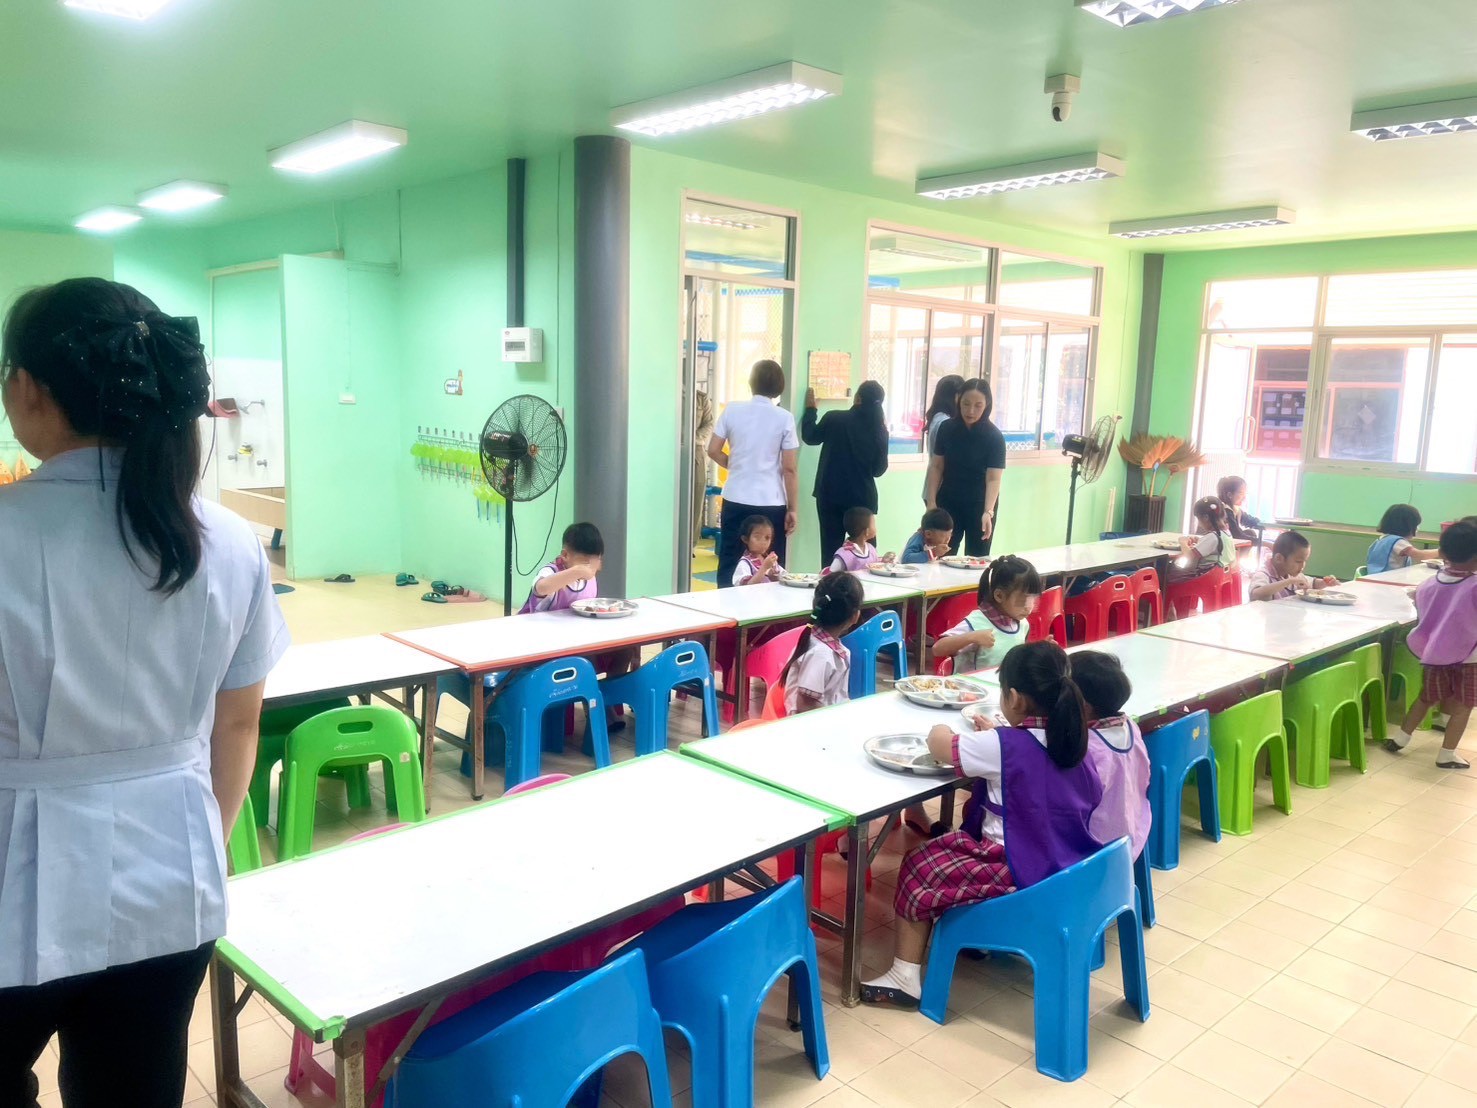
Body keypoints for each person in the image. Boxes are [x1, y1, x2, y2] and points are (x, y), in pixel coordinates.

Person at [0, 278, 289, 1106]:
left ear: (29, 389)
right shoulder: (228, 540)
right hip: (173, 879)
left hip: (13, 878)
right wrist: (204, 837)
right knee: (134, 1089)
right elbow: (238, 724)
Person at [860, 641, 1100, 1009]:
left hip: (1016, 866)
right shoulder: (1074, 739)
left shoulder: (1004, 745)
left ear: (1013, 698)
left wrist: (941, 727)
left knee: (920, 865)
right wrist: (998, 735)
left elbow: (941, 746)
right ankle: (978, 936)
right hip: (1067, 861)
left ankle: (904, 977)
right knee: (949, 847)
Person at [1387, 519, 1477, 769]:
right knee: (1464, 705)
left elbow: (1421, 605)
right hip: (1470, 657)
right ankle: (1446, 754)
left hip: (1435, 653)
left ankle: (1400, 738)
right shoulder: (1474, 586)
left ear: (1444, 552)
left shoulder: (1430, 583)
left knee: (1426, 697)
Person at [521, 522, 636, 714]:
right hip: (542, 645)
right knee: (584, 659)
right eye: (584, 563)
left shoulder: (589, 579)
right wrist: (576, 571)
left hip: (575, 640)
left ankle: (608, 703)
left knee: (624, 652)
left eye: (594, 563)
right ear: (565, 555)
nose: (589, 571)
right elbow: (541, 587)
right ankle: (593, 710)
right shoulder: (551, 572)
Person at [709, 360, 799, 588]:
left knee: (730, 561)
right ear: (780, 386)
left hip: (736, 497)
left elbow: (713, 450)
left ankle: (726, 609)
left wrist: (735, 465)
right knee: (770, 565)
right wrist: (793, 508)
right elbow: (789, 469)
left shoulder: (732, 410)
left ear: (751, 382)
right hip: (771, 501)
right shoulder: (784, 417)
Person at [1071, 651, 1152, 861]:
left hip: (1096, 848)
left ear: (1084, 707)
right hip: (1134, 830)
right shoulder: (1130, 725)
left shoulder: (1087, 748)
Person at [801, 381, 889, 571]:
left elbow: (810, 436)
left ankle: (831, 588)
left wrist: (810, 410)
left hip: (830, 495)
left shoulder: (834, 418)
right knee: (866, 556)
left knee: (831, 553)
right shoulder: (879, 429)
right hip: (862, 500)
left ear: (857, 398)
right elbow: (878, 470)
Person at [925, 377, 1006, 557]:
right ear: (958, 400)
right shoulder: (946, 428)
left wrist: (988, 512)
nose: (970, 411)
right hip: (949, 501)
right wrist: (931, 502)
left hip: (980, 504)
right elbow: (936, 467)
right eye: (966, 403)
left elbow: (993, 478)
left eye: (978, 405)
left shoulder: (994, 437)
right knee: (941, 556)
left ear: (987, 405)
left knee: (977, 558)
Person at [932, 555, 1041, 674]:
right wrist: (972, 637)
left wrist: (1041, 651)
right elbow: (937, 649)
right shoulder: (977, 623)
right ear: (999, 596)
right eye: (1022, 600)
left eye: (1032, 599)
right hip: (972, 685)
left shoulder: (1023, 624)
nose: (1028, 607)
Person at [781, 571, 864, 715]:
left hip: (827, 715)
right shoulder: (821, 654)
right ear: (855, 616)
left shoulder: (820, 644)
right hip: (811, 723)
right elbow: (805, 706)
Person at [1248, 530, 1338, 601]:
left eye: (1304, 561)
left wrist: (1324, 582)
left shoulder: (1293, 574)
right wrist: (1288, 582)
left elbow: (1312, 583)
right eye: (1298, 561)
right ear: (1279, 558)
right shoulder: (1263, 574)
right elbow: (1256, 594)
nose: (1302, 565)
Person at [1170, 496, 1237, 582]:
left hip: (1203, 578)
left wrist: (1183, 542)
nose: (1199, 524)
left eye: (1199, 519)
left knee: (1166, 572)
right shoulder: (1226, 533)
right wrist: (1200, 541)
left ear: (1206, 517)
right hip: (1221, 578)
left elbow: (1189, 557)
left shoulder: (1213, 537)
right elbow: (1215, 546)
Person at [921, 374, 966, 501]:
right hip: (940, 488)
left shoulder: (938, 417)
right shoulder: (944, 422)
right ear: (955, 396)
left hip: (934, 487)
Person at [1367, 503, 1441, 574]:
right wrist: (1442, 551)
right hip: (1386, 578)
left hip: (1375, 576)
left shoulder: (1382, 539)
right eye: (1416, 525)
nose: (1417, 528)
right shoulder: (1398, 542)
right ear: (1407, 526)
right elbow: (1420, 555)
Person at [827, 506, 890, 574]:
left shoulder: (871, 549)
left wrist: (883, 561)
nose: (876, 528)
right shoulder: (844, 554)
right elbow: (831, 575)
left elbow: (875, 565)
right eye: (874, 524)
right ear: (867, 531)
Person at [733, 514, 783, 586]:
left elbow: (784, 578)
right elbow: (746, 587)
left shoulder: (770, 560)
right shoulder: (745, 563)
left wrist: (774, 577)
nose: (763, 542)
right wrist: (764, 568)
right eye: (757, 537)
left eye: (767, 537)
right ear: (745, 539)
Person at [1216, 475, 1263, 543]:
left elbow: (1249, 521)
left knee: (1250, 533)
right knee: (1249, 535)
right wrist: (1262, 542)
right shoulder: (1225, 510)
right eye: (1241, 493)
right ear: (1229, 495)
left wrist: (1265, 525)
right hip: (1220, 544)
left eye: (1245, 493)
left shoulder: (1235, 509)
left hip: (1229, 541)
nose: (1244, 497)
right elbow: (1237, 535)